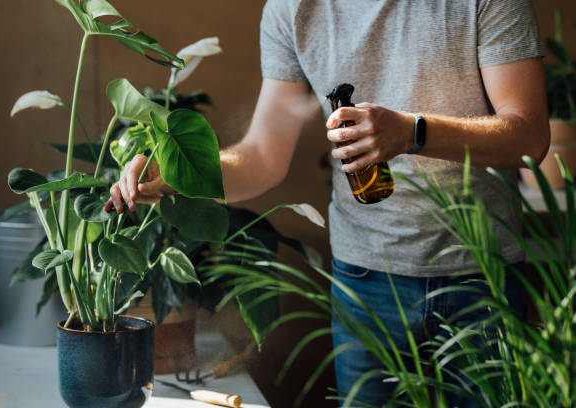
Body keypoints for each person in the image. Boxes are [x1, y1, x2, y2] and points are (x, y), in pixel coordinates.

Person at [106, 0, 549, 405]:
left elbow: (528, 136)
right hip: (365, 281)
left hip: (482, 273)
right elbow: (262, 157)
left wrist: (412, 132)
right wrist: (175, 176)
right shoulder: (293, 10)